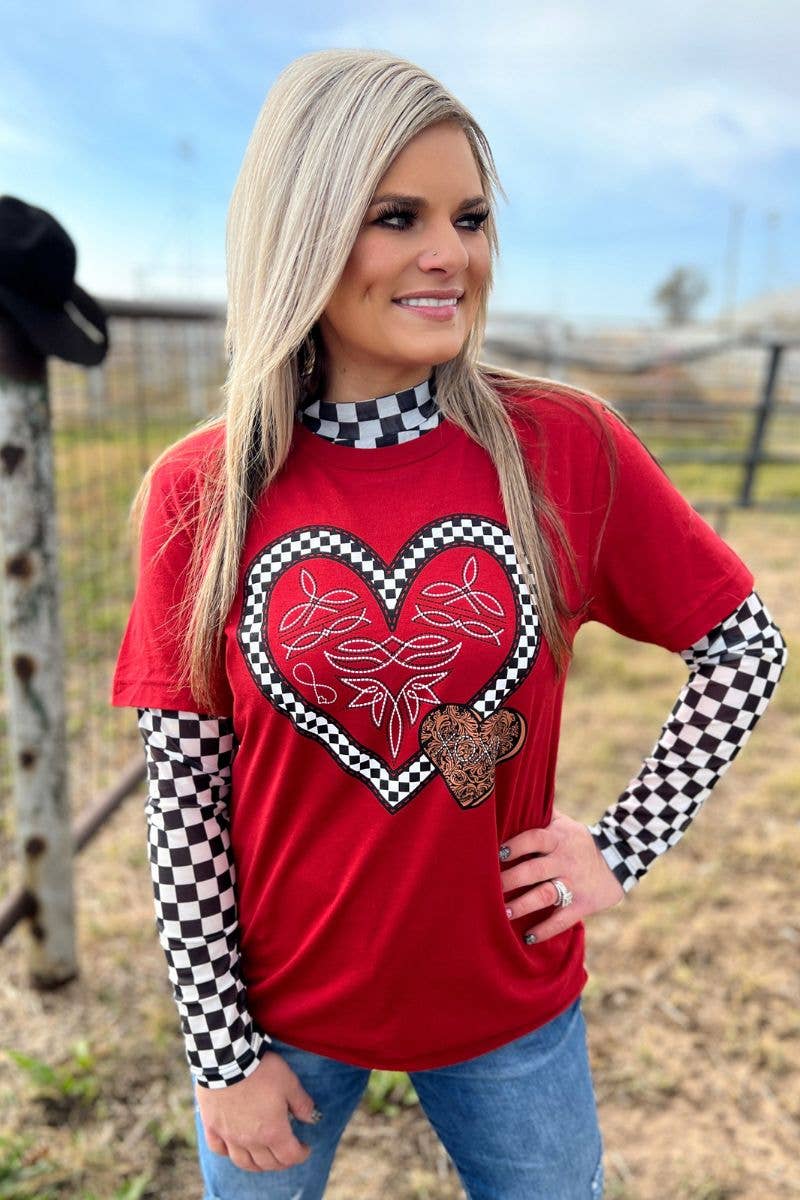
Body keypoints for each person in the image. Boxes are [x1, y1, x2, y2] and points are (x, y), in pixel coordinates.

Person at [110, 48, 787, 1200]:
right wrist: (221, 1050)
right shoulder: (205, 489)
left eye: (467, 218)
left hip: (506, 1006)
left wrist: (619, 846)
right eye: (397, 217)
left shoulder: (563, 446)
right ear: (301, 230)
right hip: (278, 1013)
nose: (449, 254)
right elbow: (185, 797)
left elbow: (743, 647)